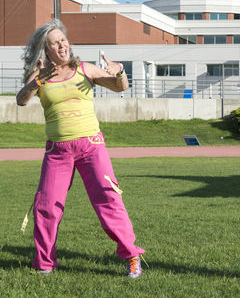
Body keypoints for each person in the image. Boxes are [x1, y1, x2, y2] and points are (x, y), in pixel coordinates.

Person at [16, 19, 145, 278]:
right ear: (47, 49)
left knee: (108, 198)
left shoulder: (85, 69)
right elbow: (21, 100)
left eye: (63, 40)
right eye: (55, 42)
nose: (62, 45)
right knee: (47, 205)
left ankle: (132, 255)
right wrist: (36, 83)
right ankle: (44, 262)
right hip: (57, 151)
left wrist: (118, 71)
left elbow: (121, 86)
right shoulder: (40, 74)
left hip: (91, 147)